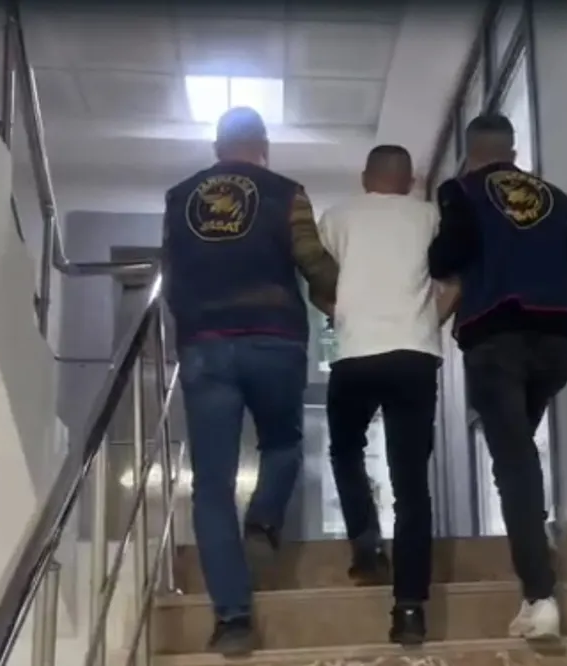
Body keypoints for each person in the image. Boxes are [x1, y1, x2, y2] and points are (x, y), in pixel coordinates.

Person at [427, 114, 567, 640]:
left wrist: (437, 251)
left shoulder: (462, 190)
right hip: (557, 343)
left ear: (470, 154)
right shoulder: (555, 198)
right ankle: (535, 538)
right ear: (511, 151)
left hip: (497, 338)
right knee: (517, 455)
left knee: (513, 462)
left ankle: (540, 595)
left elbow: (448, 257)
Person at [161, 107, 339, 656]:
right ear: (263, 147)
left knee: (211, 485)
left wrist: (191, 326)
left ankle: (234, 619)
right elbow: (312, 261)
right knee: (282, 443)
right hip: (274, 338)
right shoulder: (286, 192)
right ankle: (263, 520)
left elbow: (172, 272)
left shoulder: (180, 197)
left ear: (217, 148)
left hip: (205, 345)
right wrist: (339, 302)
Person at [318, 145, 457, 646]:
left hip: (356, 354)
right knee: (411, 483)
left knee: (345, 450)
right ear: (411, 179)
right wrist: (430, 322)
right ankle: (409, 610)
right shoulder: (430, 217)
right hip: (414, 356)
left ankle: (365, 543)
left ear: (364, 177)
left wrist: (341, 312)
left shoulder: (335, 217)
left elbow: (316, 282)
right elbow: (456, 280)